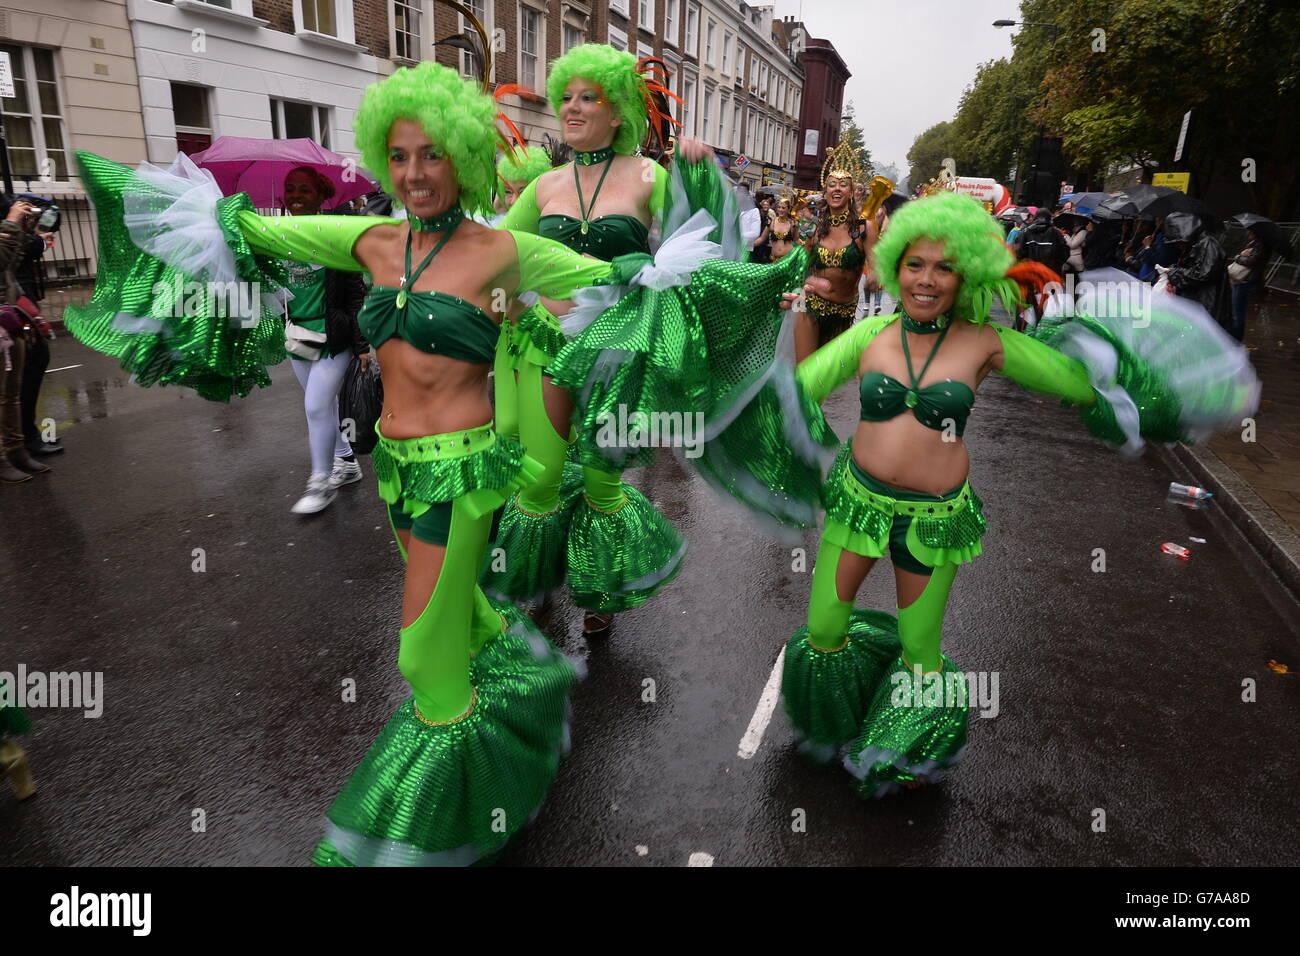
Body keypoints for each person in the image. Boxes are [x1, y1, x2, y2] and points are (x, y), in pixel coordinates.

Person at [67, 62, 670, 864]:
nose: (415, 173)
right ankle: (530, 692)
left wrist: (689, 272)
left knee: (421, 653)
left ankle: (444, 823)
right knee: (470, 618)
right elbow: (264, 232)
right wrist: (174, 207)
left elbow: (632, 284)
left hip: (462, 476)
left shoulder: (506, 252)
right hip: (395, 470)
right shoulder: (373, 241)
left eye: (432, 154)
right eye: (400, 155)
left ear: (463, 157)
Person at [753, 191, 1258, 796]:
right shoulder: (872, 336)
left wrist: (1137, 385)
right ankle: (835, 717)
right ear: (893, 266)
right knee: (824, 629)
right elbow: (796, 390)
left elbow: (1076, 381)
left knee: (920, 648)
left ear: (966, 274)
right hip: (859, 504)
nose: (926, 279)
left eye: (944, 267)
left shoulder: (984, 343)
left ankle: (908, 745)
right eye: (914, 264)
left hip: (934, 521)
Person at [486, 44, 730, 634]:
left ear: (617, 111)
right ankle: (537, 581)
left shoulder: (651, 175)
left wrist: (703, 175)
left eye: (586, 98)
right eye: (565, 96)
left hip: (614, 353)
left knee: (601, 479)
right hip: (547, 347)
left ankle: (601, 586)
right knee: (540, 477)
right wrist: (508, 304)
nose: (570, 107)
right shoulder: (544, 186)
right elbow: (492, 253)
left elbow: (704, 240)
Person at [279, 166, 371, 515]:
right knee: (322, 407)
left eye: (304, 189)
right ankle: (346, 462)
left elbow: (355, 294)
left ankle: (320, 482)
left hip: (335, 338)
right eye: (290, 189)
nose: (296, 196)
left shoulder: (334, 235)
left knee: (316, 407)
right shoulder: (277, 236)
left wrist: (362, 346)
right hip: (297, 336)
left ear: (321, 196)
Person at [793, 140, 877, 363]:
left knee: (823, 379)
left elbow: (877, 267)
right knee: (804, 373)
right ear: (825, 191)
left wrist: (876, 279)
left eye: (843, 185)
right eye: (832, 184)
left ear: (851, 192)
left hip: (843, 312)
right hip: (810, 306)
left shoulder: (863, 228)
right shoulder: (816, 228)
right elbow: (799, 262)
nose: (837, 188)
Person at [0, 197, 47, 483]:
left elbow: (12, 263)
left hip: (7, 314)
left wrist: (20, 228)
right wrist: (11, 222)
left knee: (11, 393)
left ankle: (16, 449)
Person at [1165, 212, 1228, 326]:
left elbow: (1202, 275)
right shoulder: (1199, 245)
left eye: (1177, 241)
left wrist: (1174, 273)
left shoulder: (1208, 245)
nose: (1177, 245)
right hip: (1200, 305)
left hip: (1206, 305)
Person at [1225, 226, 1270, 342]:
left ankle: (1235, 341)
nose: (1248, 232)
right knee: (1237, 312)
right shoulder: (1256, 244)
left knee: (1238, 314)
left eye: (1250, 230)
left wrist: (1238, 257)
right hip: (1243, 281)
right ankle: (1235, 339)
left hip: (1245, 282)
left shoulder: (1260, 245)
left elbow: (1251, 261)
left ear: (1255, 232)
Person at [1015, 208, 1068, 276]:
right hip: (1050, 273)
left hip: (1031, 273)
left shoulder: (1026, 232)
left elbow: (1019, 253)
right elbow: (1064, 253)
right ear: (1049, 218)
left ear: (1035, 217)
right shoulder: (1056, 233)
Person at [768, 196, 798, 262]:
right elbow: (763, 237)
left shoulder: (792, 223)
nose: (780, 210)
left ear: (789, 209)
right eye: (779, 207)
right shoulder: (773, 221)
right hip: (773, 259)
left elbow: (796, 240)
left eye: (783, 208)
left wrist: (796, 228)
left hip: (787, 261)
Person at [750, 196, 773, 263]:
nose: (766, 206)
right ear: (761, 206)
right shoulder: (757, 216)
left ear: (769, 207)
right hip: (755, 240)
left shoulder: (769, 218)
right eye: (764, 205)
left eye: (767, 205)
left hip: (764, 242)